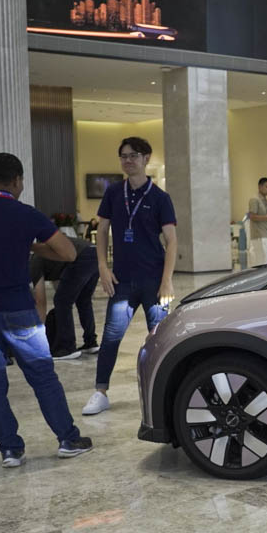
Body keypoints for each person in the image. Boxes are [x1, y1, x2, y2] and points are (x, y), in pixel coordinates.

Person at [0, 152, 94, 466]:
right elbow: (68, 253)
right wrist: (32, 245)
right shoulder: (25, 214)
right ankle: (67, 439)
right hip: (19, 312)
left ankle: (9, 449)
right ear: (16, 180)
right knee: (43, 376)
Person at [83, 137, 178, 416]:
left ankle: (165, 394)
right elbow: (102, 230)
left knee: (160, 339)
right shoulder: (114, 193)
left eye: (133, 155)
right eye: (123, 156)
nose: (128, 160)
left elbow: (172, 241)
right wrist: (103, 267)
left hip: (154, 281)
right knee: (111, 337)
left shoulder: (160, 198)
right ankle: (100, 392)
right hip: (122, 280)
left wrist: (167, 280)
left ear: (146, 158)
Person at [30, 235, 99, 360]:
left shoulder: (34, 262)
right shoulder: (45, 259)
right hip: (95, 252)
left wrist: (39, 337)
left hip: (81, 256)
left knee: (62, 302)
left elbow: (41, 302)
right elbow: (62, 286)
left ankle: (66, 348)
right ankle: (90, 342)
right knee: (83, 301)